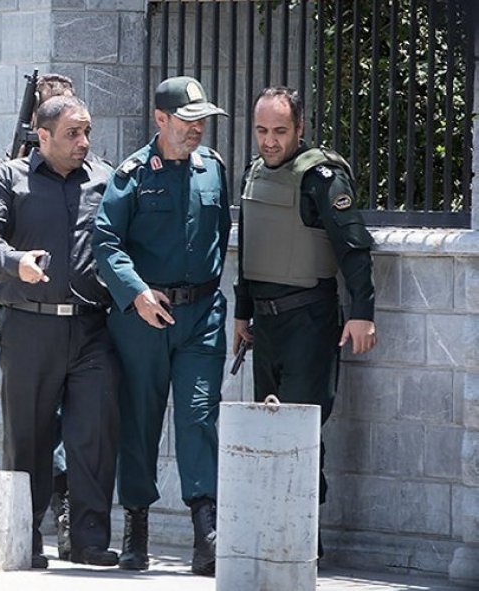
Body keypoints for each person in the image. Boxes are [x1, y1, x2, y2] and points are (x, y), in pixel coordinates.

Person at [0, 95, 120, 569]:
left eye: (87, 132)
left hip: (92, 326)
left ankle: (89, 538)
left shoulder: (105, 178)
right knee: (28, 435)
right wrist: (15, 262)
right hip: (29, 325)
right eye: (73, 133)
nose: (84, 142)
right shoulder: (8, 178)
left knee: (93, 431)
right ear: (44, 134)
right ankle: (26, 535)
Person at [93, 76, 231, 576]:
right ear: (161, 119)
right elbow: (106, 243)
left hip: (201, 315)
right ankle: (137, 526)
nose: (197, 130)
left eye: (202, 122)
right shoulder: (130, 174)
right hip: (145, 317)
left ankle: (206, 532)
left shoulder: (212, 168)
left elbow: (220, 237)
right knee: (140, 420)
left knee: (199, 417)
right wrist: (137, 294)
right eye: (188, 121)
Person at [232, 86, 376, 557]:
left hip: (310, 323)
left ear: (299, 129)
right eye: (261, 131)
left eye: (279, 131)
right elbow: (249, 249)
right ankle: (275, 534)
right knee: (266, 432)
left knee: (299, 431)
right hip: (266, 328)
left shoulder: (321, 178)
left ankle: (302, 541)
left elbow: (353, 248)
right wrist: (241, 312)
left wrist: (362, 312)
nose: (269, 141)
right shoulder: (254, 173)